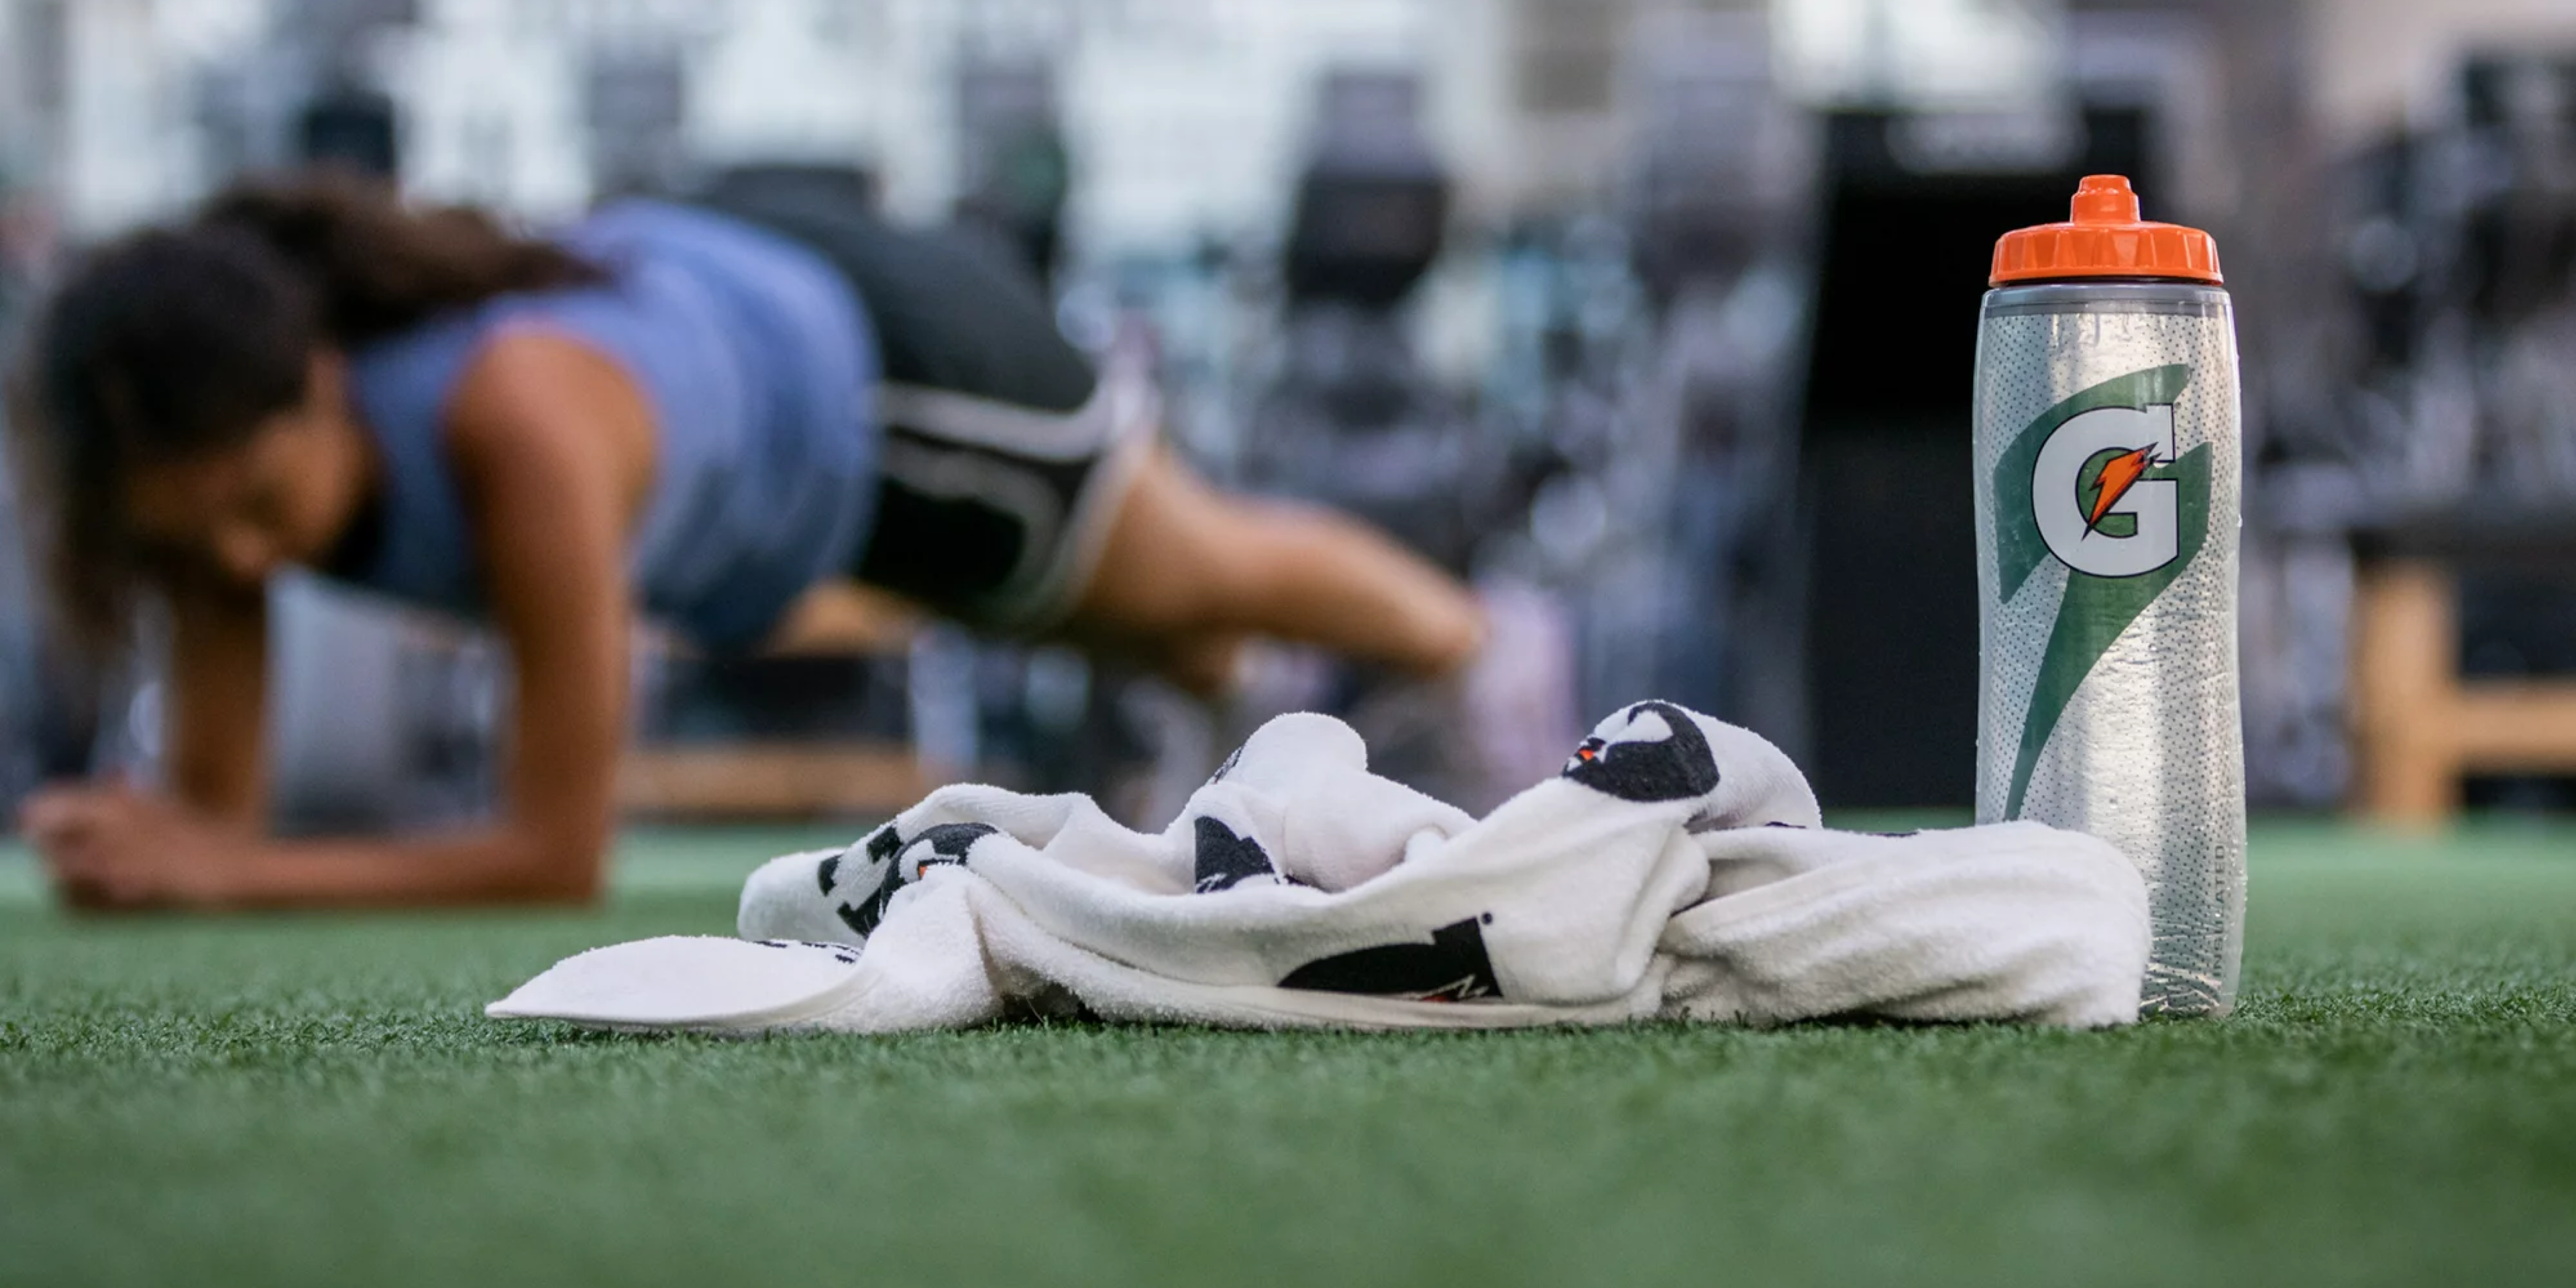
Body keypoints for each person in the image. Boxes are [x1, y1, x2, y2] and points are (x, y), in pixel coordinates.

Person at [5, 171, 1485, 910]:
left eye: (263, 509)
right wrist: (162, 841)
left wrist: (232, 877)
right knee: (1156, 629)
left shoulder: (522, 426)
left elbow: (556, 850)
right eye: (200, 544)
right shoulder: (217, 500)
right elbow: (211, 821)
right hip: (736, 317)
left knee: (1197, 575)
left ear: (322, 379)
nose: (249, 565)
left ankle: (1462, 644)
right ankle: (1229, 684)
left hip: (899, 380)